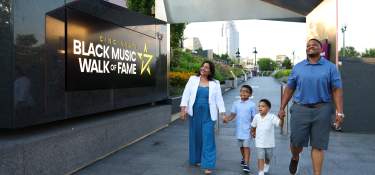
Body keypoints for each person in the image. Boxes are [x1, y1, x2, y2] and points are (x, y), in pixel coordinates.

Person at [278, 38, 344, 175]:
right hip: (300, 109)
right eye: (308, 45)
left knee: (318, 146)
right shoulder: (298, 67)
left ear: (321, 49)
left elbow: (337, 89)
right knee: (296, 143)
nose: (310, 47)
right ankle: (295, 157)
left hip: (322, 109)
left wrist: (340, 112)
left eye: (314, 45)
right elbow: (289, 88)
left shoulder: (330, 67)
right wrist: (281, 108)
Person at [180, 60, 226, 174]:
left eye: (206, 67)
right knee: (196, 136)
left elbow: (219, 99)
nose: (203, 68)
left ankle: (208, 164)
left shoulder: (215, 83)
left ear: (210, 71)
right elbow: (186, 94)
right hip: (195, 112)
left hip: (209, 113)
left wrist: (223, 113)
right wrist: (183, 109)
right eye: (202, 66)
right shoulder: (192, 79)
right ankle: (196, 159)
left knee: (208, 138)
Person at [223, 85, 257, 173]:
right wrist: (227, 119)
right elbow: (232, 115)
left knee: (246, 147)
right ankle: (244, 158)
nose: (243, 93)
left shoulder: (252, 105)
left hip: (248, 130)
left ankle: (246, 164)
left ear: (250, 94)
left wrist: (254, 130)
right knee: (241, 147)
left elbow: (254, 118)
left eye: (246, 92)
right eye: (241, 91)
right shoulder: (236, 103)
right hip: (239, 130)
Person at [251, 99, 283, 175]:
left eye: (263, 106)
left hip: (269, 143)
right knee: (260, 157)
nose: (260, 108)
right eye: (259, 106)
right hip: (259, 142)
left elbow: (280, 124)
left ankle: (267, 164)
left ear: (268, 108)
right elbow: (253, 126)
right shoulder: (256, 116)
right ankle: (261, 171)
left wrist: (282, 117)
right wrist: (253, 132)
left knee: (268, 156)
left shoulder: (272, 117)